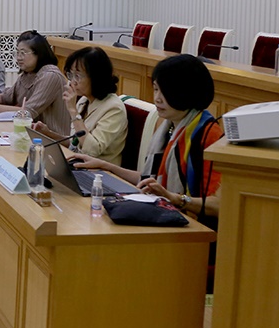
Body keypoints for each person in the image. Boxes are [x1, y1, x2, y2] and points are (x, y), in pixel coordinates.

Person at [73, 54, 223, 223]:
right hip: (166, 216)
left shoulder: (208, 135)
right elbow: (148, 181)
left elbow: (220, 205)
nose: (157, 98)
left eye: (165, 91)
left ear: (187, 92)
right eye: (156, 89)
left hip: (195, 227)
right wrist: (105, 166)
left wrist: (176, 199)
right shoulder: (169, 127)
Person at [31, 46, 127, 164]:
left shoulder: (114, 108)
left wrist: (73, 112)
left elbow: (91, 151)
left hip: (100, 171)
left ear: (96, 77)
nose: (72, 81)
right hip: (78, 164)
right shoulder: (84, 101)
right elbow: (75, 144)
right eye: (71, 75)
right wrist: (48, 133)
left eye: (77, 76)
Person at [0, 31, 69, 135]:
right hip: (28, 135)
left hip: (50, 140)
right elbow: (5, 97)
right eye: (17, 52)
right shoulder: (28, 73)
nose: (19, 57)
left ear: (38, 53)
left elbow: (27, 113)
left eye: (23, 53)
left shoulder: (50, 76)